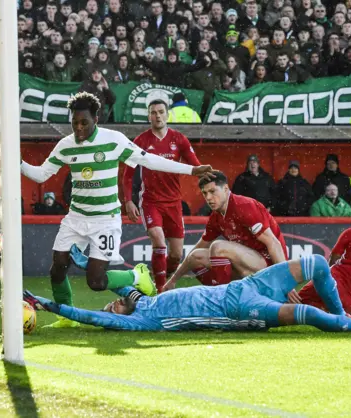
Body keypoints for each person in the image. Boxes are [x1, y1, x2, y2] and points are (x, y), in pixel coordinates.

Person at [20, 91, 213, 328]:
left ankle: (137, 276)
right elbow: (40, 174)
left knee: (96, 281)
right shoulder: (66, 145)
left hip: (105, 221)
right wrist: (16, 161)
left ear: (96, 119)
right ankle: (66, 318)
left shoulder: (114, 140)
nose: (78, 128)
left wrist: (191, 170)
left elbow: (149, 160)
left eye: (84, 123)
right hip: (76, 218)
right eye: (74, 123)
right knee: (57, 268)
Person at [24, 255, 351, 333]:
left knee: (317, 263)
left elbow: (115, 282)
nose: (112, 304)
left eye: (116, 299)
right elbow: (95, 317)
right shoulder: (144, 319)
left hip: (247, 285)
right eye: (114, 307)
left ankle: (344, 316)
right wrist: (44, 302)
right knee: (310, 318)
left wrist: (82, 262)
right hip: (239, 307)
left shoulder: (142, 299)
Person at [123, 99, 202, 292]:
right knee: (158, 241)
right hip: (150, 201)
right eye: (153, 112)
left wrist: (210, 179)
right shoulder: (141, 141)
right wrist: (128, 201)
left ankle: (163, 277)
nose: (157, 116)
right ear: (148, 116)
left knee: (175, 255)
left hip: (174, 203)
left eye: (160, 112)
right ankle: (160, 291)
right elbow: (127, 174)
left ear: (167, 115)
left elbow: (195, 166)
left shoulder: (179, 139)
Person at [164, 171, 288, 291]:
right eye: (204, 193)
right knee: (196, 257)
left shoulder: (244, 206)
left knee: (218, 247)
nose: (208, 198)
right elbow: (197, 250)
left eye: (212, 191)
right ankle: (224, 292)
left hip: (267, 265)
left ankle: (221, 297)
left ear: (226, 189)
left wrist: (286, 281)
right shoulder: (216, 217)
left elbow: (273, 243)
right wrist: (173, 280)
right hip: (246, 266)